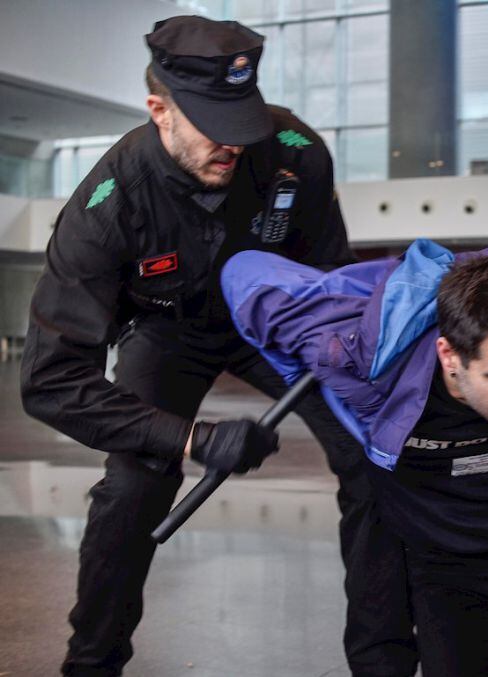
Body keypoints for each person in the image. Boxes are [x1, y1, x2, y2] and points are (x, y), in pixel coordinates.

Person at [20, 16, 414, 677]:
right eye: (211, 125)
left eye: (242, 121)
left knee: (371, 455)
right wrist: (193, 439)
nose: (233, 145)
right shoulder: (105, 207)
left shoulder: (296, 153)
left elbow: (330, 281)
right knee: (134, 485)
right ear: (158, 111)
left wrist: (349, 359)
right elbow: (49, 381)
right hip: (167, 331)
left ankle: (384, 662)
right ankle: (92, 661)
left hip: (277, 323)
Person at [219, 240, 488, 676]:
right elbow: (244, 269)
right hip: (447, 574)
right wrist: (301, 367)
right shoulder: (357, 363)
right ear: (450, 355)